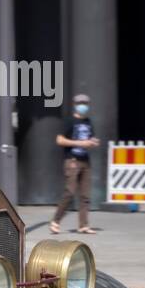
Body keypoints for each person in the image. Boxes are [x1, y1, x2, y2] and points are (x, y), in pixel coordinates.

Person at [50, 93, 100, 235]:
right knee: (70, 192)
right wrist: (80, 143)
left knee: (85, 195)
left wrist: (92, 142)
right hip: (72, 160)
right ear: (75, 105)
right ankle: (55, 221)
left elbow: (89, 139)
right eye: (80, 103)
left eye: (85, 103)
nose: (83, 106)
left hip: (85, 160)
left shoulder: (88, 122)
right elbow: (59, 140)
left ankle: (83, 225)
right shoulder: (69, 121)